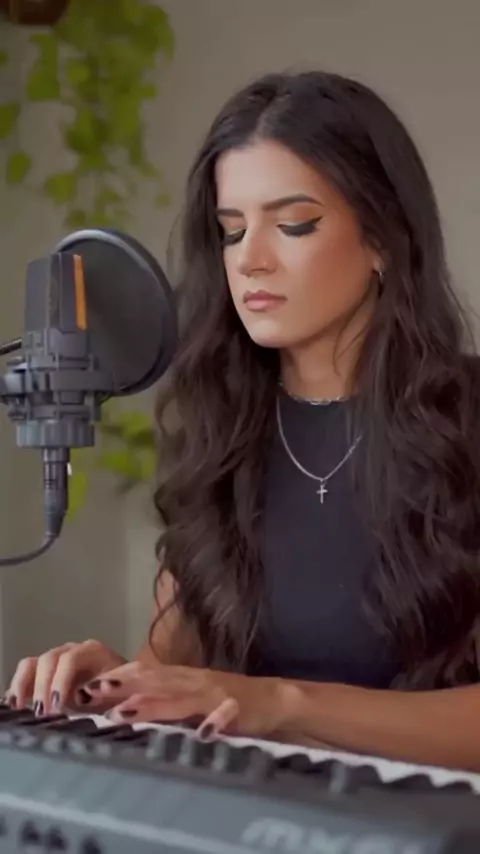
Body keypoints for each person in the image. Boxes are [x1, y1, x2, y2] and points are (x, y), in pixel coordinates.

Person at [5, 70, 480, 771]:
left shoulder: (466, 425)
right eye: (231, 232)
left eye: (293, 225)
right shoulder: (222, 433)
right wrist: (110, 690)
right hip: (247, 817)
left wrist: (280, 703)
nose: (251, 260)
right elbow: (180, 680)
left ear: (382, 238)